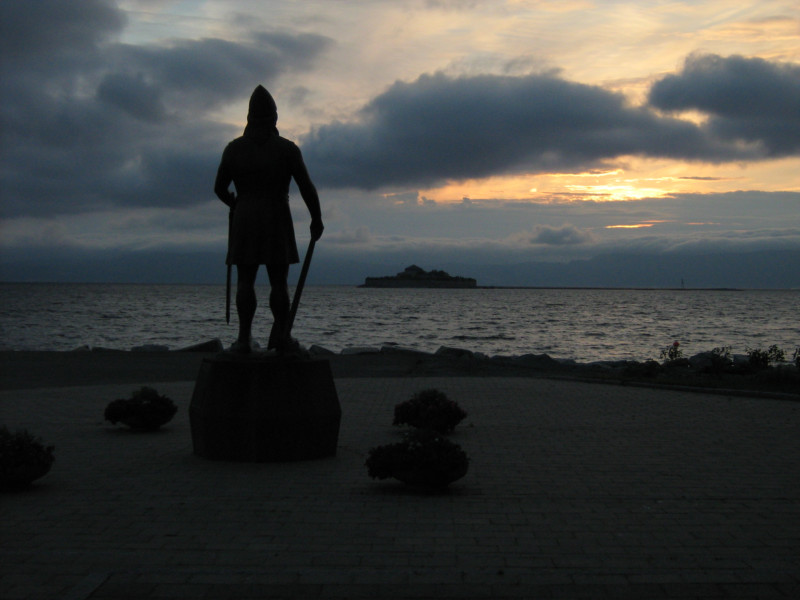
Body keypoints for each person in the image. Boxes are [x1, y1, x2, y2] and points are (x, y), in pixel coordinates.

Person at [214, 85, 324, 353]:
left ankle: (244, 339)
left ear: (249, 117)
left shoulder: (234, 149)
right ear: (274, 117)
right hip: (276, 215)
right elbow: (307, 187)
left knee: (245, 280)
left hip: (246, 216)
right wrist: (316, 218)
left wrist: (234, 202)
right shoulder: (286, 149)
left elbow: (219, 188)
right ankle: (282, 338)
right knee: (278, 281)